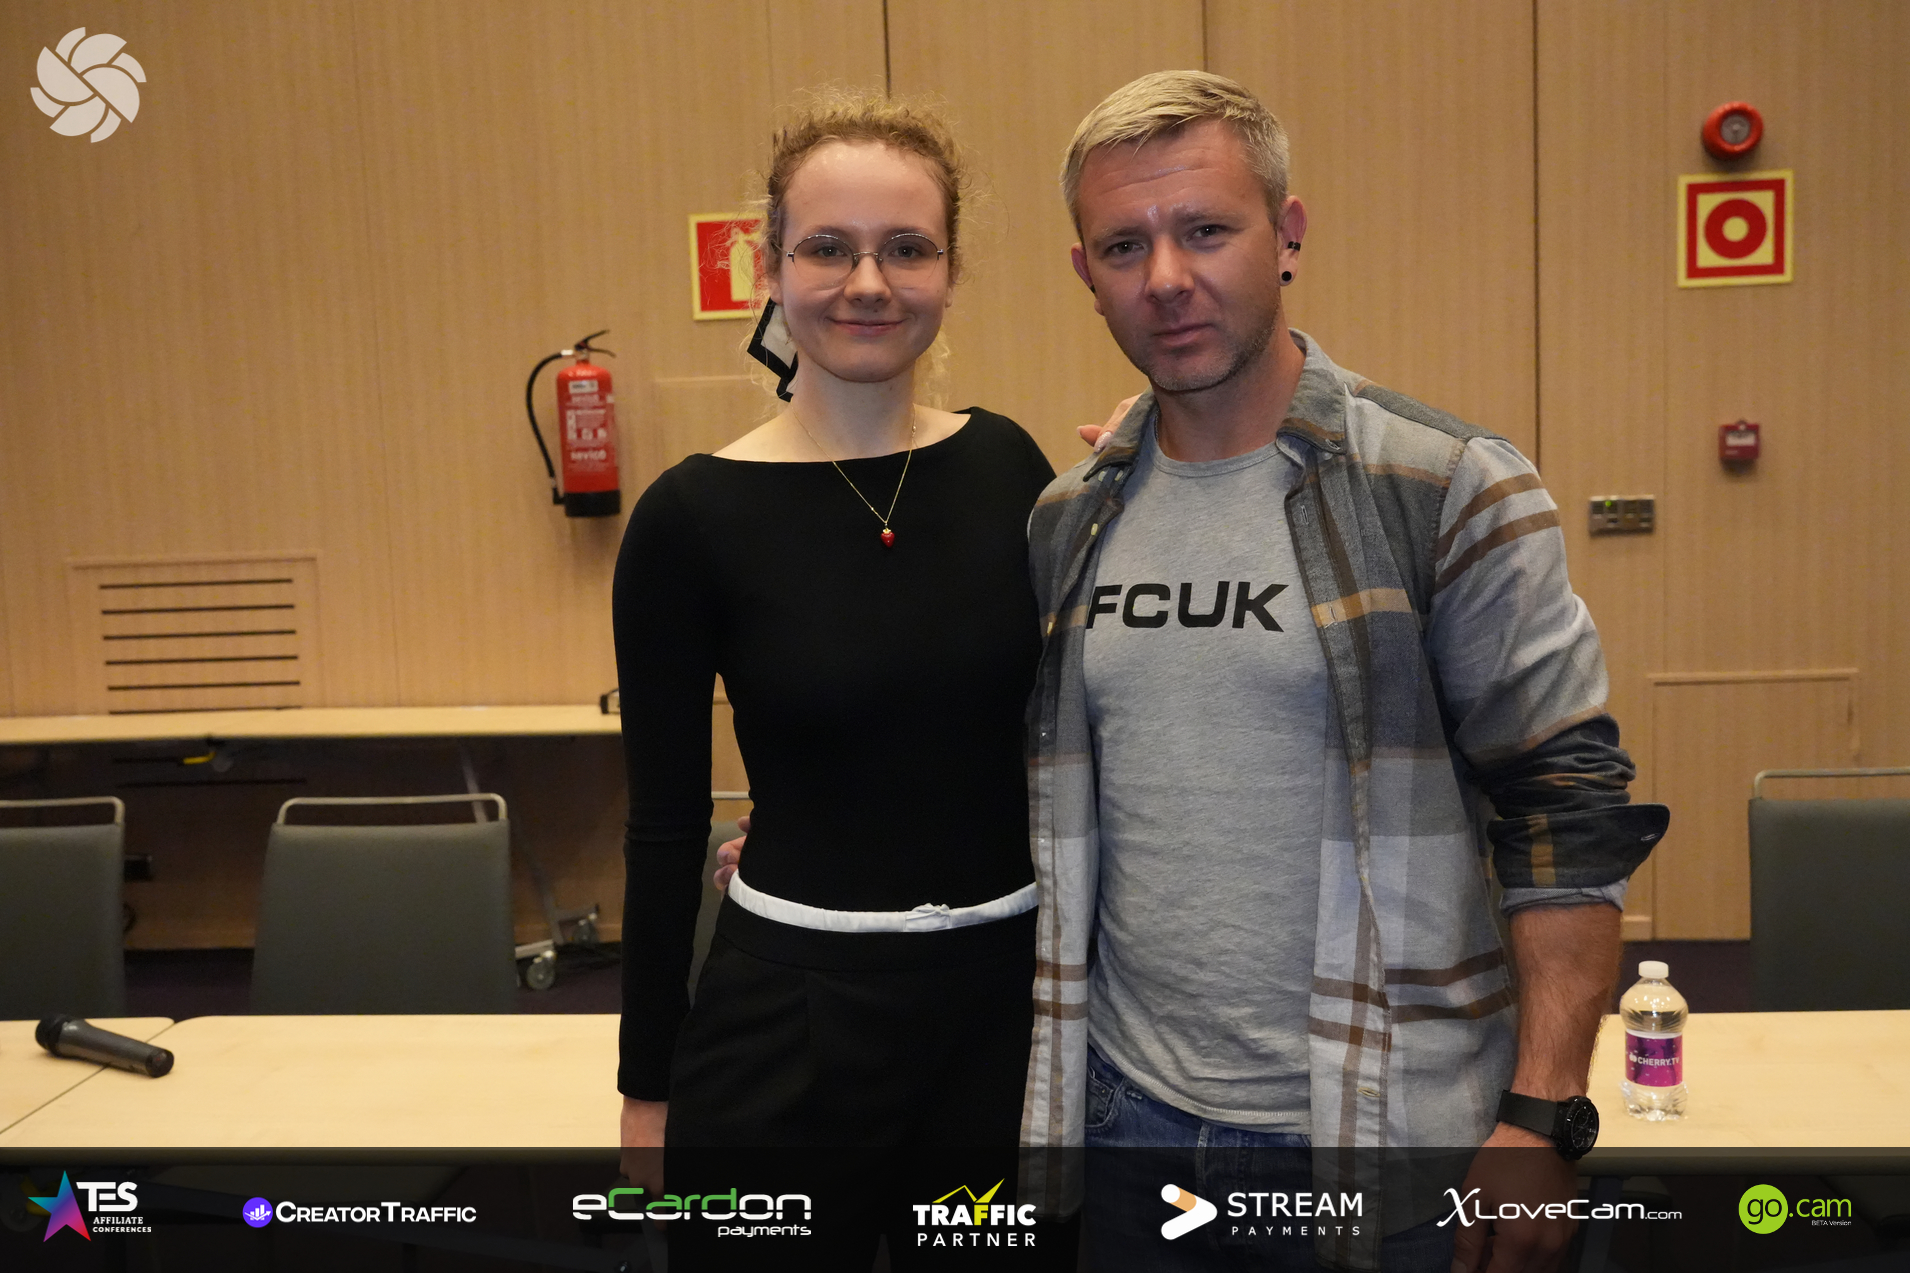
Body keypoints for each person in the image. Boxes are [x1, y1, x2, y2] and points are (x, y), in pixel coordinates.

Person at [1017, 71, 1670, 1273]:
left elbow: (1563, 809)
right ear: (1084, 273)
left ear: (1287, 233)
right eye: (1122, 245)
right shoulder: (1070, 518)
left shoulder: (1442, 486)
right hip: (1126, 1124)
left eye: (1205, 229)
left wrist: (1542, 1115)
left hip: (1389, 1128)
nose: (1165, 277)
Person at [612, 93, 1060, 1269]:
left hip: (1002, 1017)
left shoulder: (1012, 468)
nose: (868, 282)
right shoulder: (689, 517)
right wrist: (646, 1087)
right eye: (827, 247)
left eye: (906, 247)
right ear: (767, 267)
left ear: (949, 271)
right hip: (788, 1022)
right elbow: (663, 822)